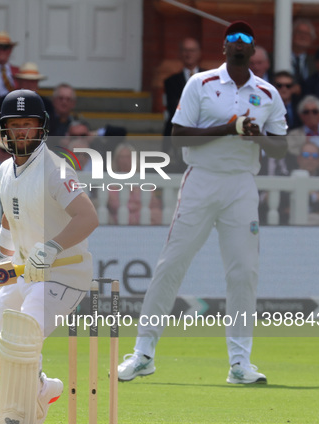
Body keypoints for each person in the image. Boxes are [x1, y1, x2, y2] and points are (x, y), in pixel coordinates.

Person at [117, 21, 287, 385]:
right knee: (172, 264)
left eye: (246, 39)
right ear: (224, 48)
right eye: (233, 39)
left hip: (242, 184)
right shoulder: (201, 84)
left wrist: (257, 136)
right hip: (202, 178)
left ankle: (240, 363)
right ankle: (143, 353)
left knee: (243, 272)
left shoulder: (268, 93)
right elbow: (177, 135)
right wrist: (226, 128)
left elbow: (281, 146)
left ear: (253, 50)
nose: (239, 44)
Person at [0, 89, 98, 424]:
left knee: (21, 333)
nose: (22, 132)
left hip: (64, 273)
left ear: (42, 128)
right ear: (5, 130)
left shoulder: (57, 169)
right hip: (24, 271)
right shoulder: (4, 170)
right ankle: (42, 387)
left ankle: (15, 422)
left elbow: (88, 217)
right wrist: (1, 252)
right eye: (15, 126)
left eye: (28, 125)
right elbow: (11, 215)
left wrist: (54, 246)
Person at [162, 38, 202, 173]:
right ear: (180, 53)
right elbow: (174, 108)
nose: (188, 54)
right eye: (185, 50)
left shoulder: (209, 78)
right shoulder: (171, 81)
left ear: (199, 53)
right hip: (178, 132)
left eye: (192, 50)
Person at [106, 142, 162, 225]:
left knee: (156, 213)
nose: (125, 160)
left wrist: (135, 206)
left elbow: (153, 202)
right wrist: (138, 205)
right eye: (121, 157)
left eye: (128, 157)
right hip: (120, 217)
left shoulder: (143, 179)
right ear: (116, 160)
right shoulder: (110, 181)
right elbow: (115, 204)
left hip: (142, 215)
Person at [291, 19, 316, 88]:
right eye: (299, 32)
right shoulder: (277, 58)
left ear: (312, 39)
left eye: (307, 34)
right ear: (291, 35)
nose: (303, 36)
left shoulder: (315, 61)